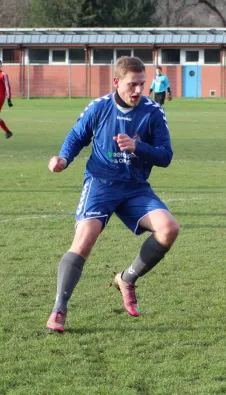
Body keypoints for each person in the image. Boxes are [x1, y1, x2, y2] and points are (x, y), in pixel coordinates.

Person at [45, 56, 179, 333]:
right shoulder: (100, 107)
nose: (139, 90)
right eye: (133, 84)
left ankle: (127, 278)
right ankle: (59, 309)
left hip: (135, 187)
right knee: (84, 239)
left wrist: (137, 148)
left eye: (143, 84)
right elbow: (77, 135)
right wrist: (63, 159)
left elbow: (165, 156)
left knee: (168, 229)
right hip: (101, 182)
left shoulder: (153, 112)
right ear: (117, 82)